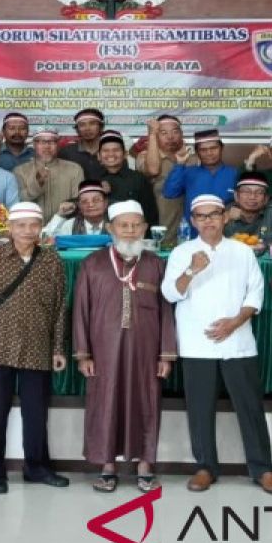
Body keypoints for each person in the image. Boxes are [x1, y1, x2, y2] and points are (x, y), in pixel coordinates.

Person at [161, 194, 272, 495]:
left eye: (214, 215)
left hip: (238, 342)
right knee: (200, 409)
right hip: (197, 344)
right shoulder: (182, 252)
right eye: (201, 216)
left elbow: (255, 294)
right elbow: (169, 294)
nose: (208, 221)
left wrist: (235, 322)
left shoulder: (242, 251)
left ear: (225, 217)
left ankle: (262, 468)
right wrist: (191, 271)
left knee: (250, 407)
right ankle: (205, 467)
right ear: (193, 221)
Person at [73, 200, 176, 492]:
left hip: (146, 351)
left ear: (144, 228)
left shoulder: (156, 264)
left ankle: (145, 466)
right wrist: (84, 354)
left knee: (147, 403)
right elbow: (80, 310)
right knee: (105, 403)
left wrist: (165, 354)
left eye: (135, 226)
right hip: (103, 351)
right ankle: (107, 467)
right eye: (123, 226)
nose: (130, 232)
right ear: (111, 228)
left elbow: (166, 311)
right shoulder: (93, 263)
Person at [0, 202, 68, 494]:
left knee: (36, 413)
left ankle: (36, 468)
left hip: (38, 347)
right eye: (21, 225)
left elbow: (60, 308)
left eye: (33, 225)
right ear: (9, 228)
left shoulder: (52, 261)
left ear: (40, 229)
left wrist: (58, 348)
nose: (27, 231)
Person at [163, 130, 237, 229]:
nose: (209, 153)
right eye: (203, 150)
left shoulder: (235, 173)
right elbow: (169, 193)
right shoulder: (188, 172)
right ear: (197, 152)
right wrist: (180, 164)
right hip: (194, 235)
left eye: (213, 148)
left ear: (221, 148)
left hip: (226, 234)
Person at [142, 114, 195, 246]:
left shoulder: (194, 158)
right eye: (163, 133)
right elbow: (153, 170)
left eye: (175, 132)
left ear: (182, 134)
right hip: (161, 231)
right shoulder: (145, 157)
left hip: (190, 231)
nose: (170, 137)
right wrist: (152, 135)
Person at [13, 127, 84, 222]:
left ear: (58, 145)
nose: (47, 147)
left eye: (52, 142)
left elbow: (79, 200)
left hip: (65, 227)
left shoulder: (74, 169)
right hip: (31, 227)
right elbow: (20, 200)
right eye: (42, 142)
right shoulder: (20, 171)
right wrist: (38, 183)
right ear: (34, 145)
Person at [98, 132, 159, 229]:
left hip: (132, 234)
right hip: (102, 237)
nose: (111, 154)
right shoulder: (93, 180)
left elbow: (150, 215)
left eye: (116, 150)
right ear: (99, 155)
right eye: (105, 151)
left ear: (125, 154)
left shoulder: (139, 179)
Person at [224, 171, 272, 247]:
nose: (252, 197)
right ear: (236, 196)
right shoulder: (224, 214)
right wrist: (226, 220)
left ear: (266, 198)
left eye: (259, 192)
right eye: (246, 191)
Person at [45, 180, 110, 236]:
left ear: (105, 203)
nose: (91, 204)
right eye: (84, 201)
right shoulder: (70, 225)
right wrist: (60, 215)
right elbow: (45, 238)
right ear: (79, 205)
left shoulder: (115, 223)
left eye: (96, 200)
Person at [59, 108, 107, 179]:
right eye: (82, 125)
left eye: (92, 123)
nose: (87, 128)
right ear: (77, 129)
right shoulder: (66, 152)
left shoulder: (112, 152)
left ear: (101, 127)